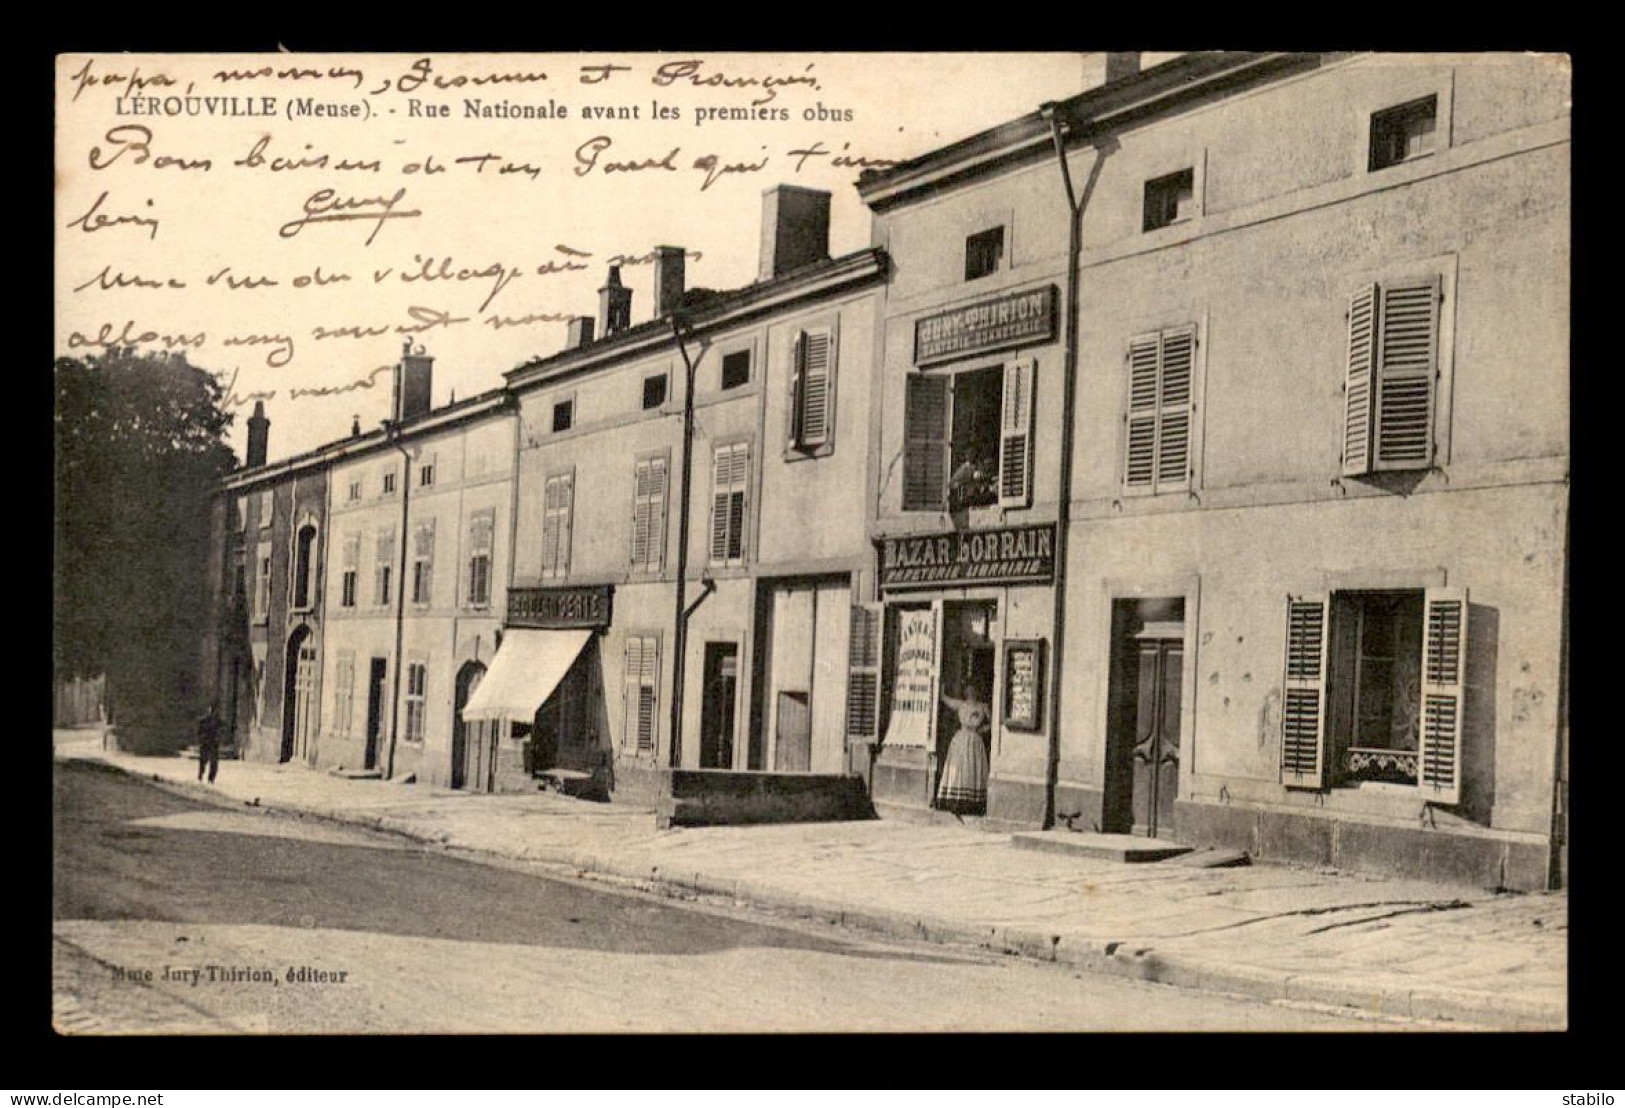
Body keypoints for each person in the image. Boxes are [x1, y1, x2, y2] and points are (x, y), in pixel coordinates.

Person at [936, 683, 991, 815]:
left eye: (973, 689)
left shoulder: (983, 706)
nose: (971, 692)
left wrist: (983, 729)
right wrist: (940, 684)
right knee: (960, 767)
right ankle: (957, 800)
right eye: (968, 689)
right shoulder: (961, 704)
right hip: (962, 739)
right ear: (965, 691)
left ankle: (972, 801)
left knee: (972, 766)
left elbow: (993, 722)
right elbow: (944, 698)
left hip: (975, 740)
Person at [196, 702, 222, 784]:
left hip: (214, 744)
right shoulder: (203, 721)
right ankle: (200, 774)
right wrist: (202, 740)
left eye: (214, 710)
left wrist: (218, 739)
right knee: (203, 761)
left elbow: (221, 731)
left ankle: (211, 778)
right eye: (211, 710)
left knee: (214, 762)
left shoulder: (219, 722)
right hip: (205, 743)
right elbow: (199, 732)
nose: (213, 712)